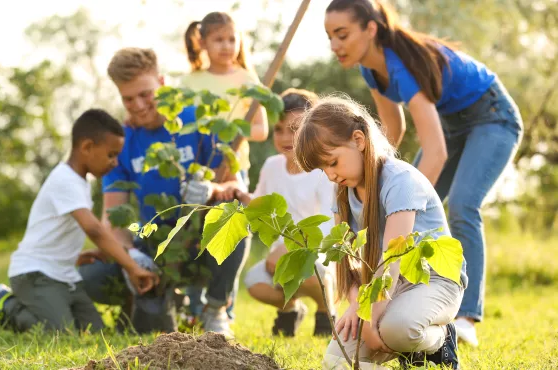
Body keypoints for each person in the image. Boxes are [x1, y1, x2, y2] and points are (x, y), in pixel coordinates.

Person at [324, 0, 523, 347]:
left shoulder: (402, 63)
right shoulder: (370, 69)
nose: (334, 46)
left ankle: (465, 318)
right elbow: (388, 132)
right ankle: (410, 297)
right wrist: (373, 184)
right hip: (453, 125)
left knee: (462, 204)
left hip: (492, 115)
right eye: (329, 37)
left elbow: (435, 152)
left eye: (342, 35)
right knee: (401, 206)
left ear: (371, 29)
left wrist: (396, 200)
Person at [77, 47, 249, 338]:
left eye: (145, 94)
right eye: (128, 99)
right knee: (92, 277)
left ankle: (215, 309)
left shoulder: (200, 120)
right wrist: (131, 254)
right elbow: (115, 218)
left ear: (162, 83)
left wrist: (212, 188)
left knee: (233, 217)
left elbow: (236, 189)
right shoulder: (122, 140)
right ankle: (148, 299)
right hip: (151, 240)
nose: (139, 105)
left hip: (199, 240)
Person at [294, 95, 467, 369]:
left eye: (333, 162)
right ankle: (405, 348)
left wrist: (370, 320)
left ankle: (440, 338)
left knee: (395, 330)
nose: (330, 175)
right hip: (384, 286)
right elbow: (347, 261)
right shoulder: (341, 192)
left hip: (434, 278)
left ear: (359, 140)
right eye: (323, 168)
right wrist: (355, 307)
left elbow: (393, 257)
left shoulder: (400, 180)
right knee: (337, 361)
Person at [0, 109, 159, 334]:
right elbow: (94, 229)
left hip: (63, 275)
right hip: (35, 274)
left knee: (94, 332)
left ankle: (48, 309)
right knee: (61, 333)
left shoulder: (80, 182)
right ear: (86, 147)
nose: (115, 162)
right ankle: (7, 307)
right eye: (111, 155)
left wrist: (77, 256)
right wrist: (131, 266)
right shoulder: (65, 180)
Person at [218, 89, 337, 337]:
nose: (285, 137)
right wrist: (237, 191)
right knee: (254, 282)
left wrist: (291, 248)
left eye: (295, 129)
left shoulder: (323, 171)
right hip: (282, 257)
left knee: (311, 269)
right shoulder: (273, 166)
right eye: (279, 129)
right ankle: (291, 309)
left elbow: (329, 224)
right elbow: (258, 203)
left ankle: (327, 310)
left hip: (319, 254)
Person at [181, 11, 270, 320]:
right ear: (202, 42)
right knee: (194, 235)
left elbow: (261, 130)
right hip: (199, 170)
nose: (226, 46)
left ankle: (221, 308)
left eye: (232, 39)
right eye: (218, 40)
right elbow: (180, 128)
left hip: (234, 170)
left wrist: (234, 131)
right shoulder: (192, 81)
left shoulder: (246, 79)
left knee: (230, 232)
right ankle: (192, 304)